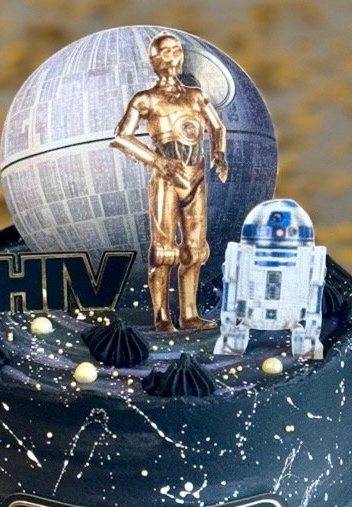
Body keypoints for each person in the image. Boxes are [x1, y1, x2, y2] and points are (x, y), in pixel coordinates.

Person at [112, 31, 228, 333]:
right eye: (167, 52)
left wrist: (219, 152)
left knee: (195, 249)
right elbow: (122, 137)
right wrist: (157, 161)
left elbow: (217, 126)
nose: (174, 57)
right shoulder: (146, 99)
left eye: (177, 51)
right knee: (164, 250)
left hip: (195, 175)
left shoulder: (195, 95)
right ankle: (162, 316)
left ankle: (189, 314)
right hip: (166, 178)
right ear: (154, 60)